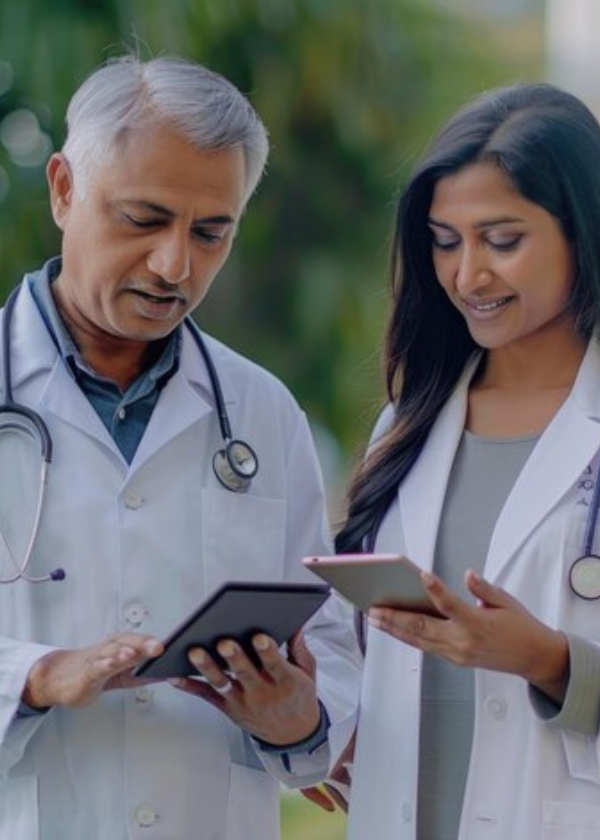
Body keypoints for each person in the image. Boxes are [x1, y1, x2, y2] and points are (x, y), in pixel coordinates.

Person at [0, 54, 361, 840]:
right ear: (63, 188)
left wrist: (300, 716)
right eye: (144, 219)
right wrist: (33, 675)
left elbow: (329, 649)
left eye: (211, 232)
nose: (176, 267)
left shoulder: (261, 412)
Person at [334, 83, 600, 838]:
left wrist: (551, 660)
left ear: (581, 231)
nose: (467, 276)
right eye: (446, 242)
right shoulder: (408, 424)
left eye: (502, 240)